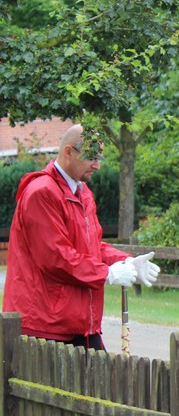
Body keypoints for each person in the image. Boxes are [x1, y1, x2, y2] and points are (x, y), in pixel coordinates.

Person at [2, 124, 159, 350]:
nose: (97, 165)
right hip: (45, 325)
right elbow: (56, 258)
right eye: (91, 157)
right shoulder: (42, 192)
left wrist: (126, 261)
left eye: (99, 157)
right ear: (68, 152)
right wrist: (107, 273)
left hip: (77, 323)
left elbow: (91, 246)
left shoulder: (82, 192)